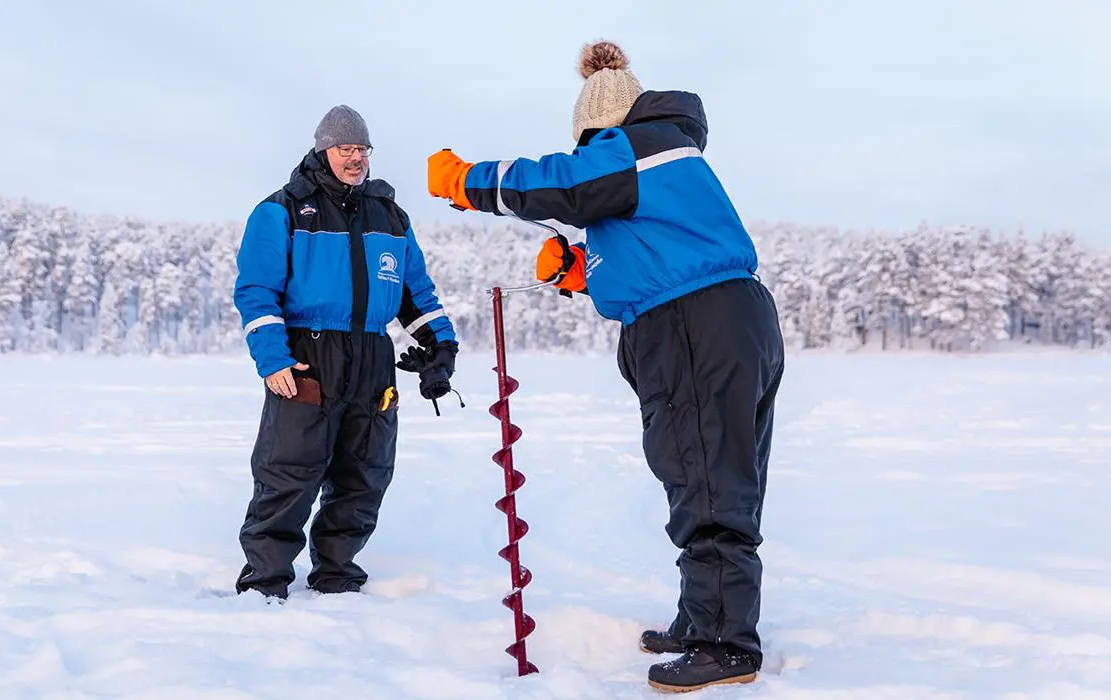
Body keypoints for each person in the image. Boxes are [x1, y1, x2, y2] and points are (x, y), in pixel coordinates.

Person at [426, 42, 785, 691]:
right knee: (705, 469)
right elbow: (654, 247)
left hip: (695, 326)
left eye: (589, 145)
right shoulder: (662, 157)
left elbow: (560, 183)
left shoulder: (639, 146)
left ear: (601, 127)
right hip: (713, 320)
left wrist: (467, 181)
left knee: (706, 477)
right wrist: (583, 271)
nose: (591, 157)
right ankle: (704, 616)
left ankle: (726, 643)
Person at [233, 105, 459, 600]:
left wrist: (442, 346)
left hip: (373, 356)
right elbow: (256, 292)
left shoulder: (390, 216)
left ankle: (337, 574)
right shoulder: (282, 210)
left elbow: (415, 293)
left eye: (362, 149)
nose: (355, 158)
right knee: (289, 470)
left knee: (364, 473)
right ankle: (265, 582)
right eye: (345, 149)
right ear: (323, 151)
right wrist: (272, 358)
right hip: (307, 355)